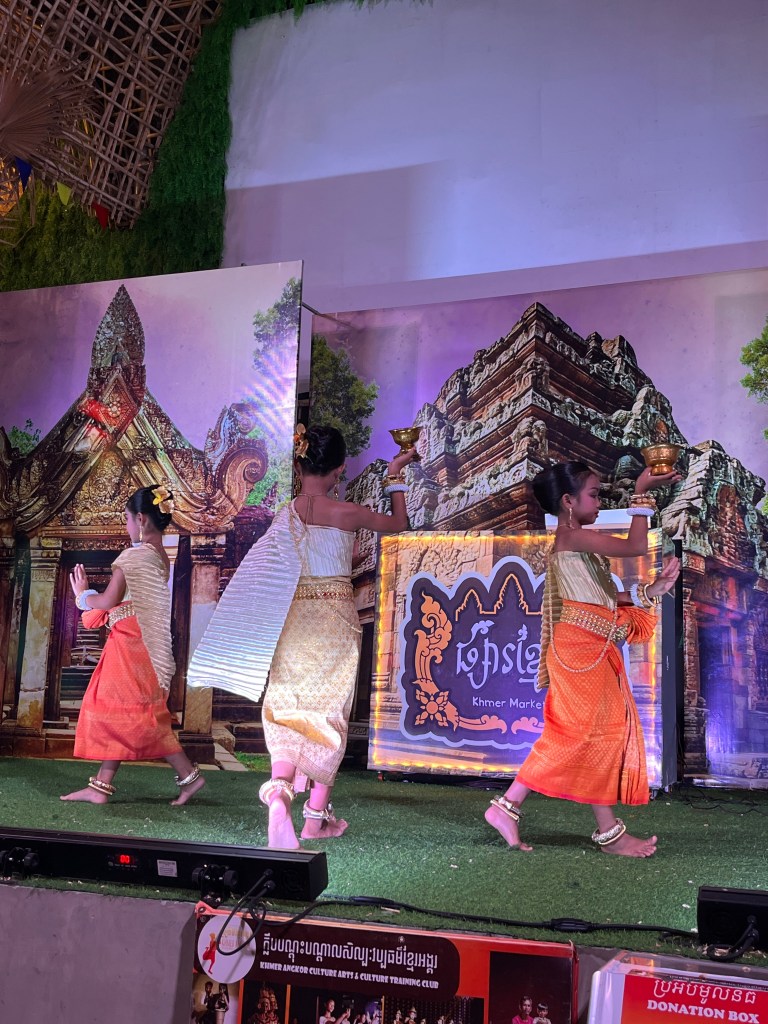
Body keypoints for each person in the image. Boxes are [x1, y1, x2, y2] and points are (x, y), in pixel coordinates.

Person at [188, 424, 415, 848]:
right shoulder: (348, 513)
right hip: (335, 621)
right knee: (328, 714)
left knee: (287, 708)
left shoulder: (285, 514)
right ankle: (314, 820)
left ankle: (279, 795)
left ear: (299, 464)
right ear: (340, 469)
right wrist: (394, 474)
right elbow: (399, 524)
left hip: (292, 620)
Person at [485, 461, 681, 857]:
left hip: (592, 647)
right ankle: (605, 833)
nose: (599, 502)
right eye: (593, 494)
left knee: (590, 734)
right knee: (583, 734)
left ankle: (510, 807)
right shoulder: (572, 537)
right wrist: (641, 493)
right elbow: (635, 547)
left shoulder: (576, 543)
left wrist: (653, 589)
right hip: (580, 651)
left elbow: (603, 597)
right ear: (568, 501)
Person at [61, 484, 205, 805]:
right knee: (130, 712)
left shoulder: (135, 556)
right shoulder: (159, 556)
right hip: (141, 644)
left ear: (141, 519)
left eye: (127, 519)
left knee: (130, 712)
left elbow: (108, 600)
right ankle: (101, 786)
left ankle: (188, 776)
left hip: (132, 646)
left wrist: (82, 595)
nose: (126, 526)